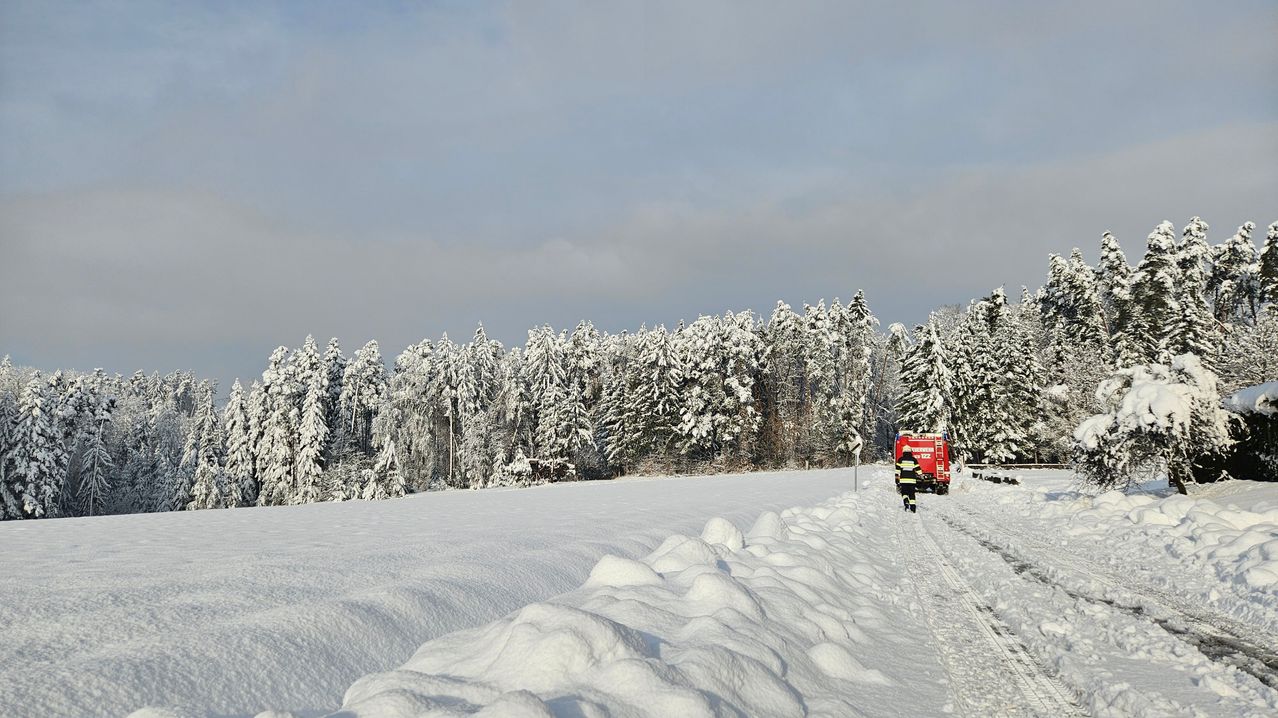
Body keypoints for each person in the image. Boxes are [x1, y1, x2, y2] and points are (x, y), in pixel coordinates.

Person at [896, 447, 919, 513]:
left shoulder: (900, 459)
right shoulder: (914, 459)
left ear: (903, 451)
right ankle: (913, 507)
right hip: (912, 480)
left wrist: (897, 479)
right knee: (912, 493)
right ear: (910, 451)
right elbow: (918, 469)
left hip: (903, 480)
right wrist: (920, 474)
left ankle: (906, 501)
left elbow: (897, 470)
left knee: (904, 492)